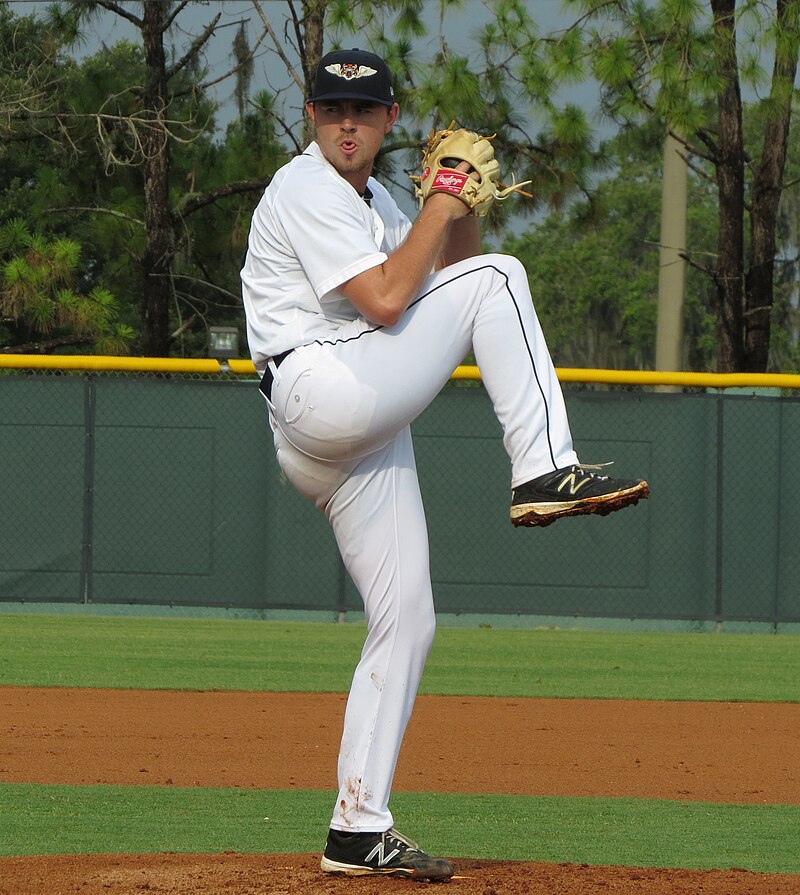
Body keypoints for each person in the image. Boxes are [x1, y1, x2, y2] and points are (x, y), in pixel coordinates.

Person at [241, 48, 649, 881]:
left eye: (361, 112)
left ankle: (357, 825)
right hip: (322, 387)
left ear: (390, 121)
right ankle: (543, 467)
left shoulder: (385, 200)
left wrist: (457, 202)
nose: (345, 124)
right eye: (329, 110)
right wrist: (439, 197)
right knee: (507, 276)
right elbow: (392, 301)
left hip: (349, 424)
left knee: (409, 619)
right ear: (311, 118)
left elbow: (451, 278)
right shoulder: (305, 187)